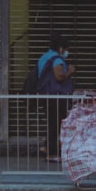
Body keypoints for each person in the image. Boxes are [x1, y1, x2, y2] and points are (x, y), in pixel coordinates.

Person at [36, 34, 75, 163]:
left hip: (46, 95)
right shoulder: (56, 59)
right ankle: (52, 153)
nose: (67, 52)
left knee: (52, 122)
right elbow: (59, 76)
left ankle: (46, 147)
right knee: (56, 123)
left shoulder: (44, 57)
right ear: (60, 48)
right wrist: (69, 71)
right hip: (56, 96)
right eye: (66, 49)